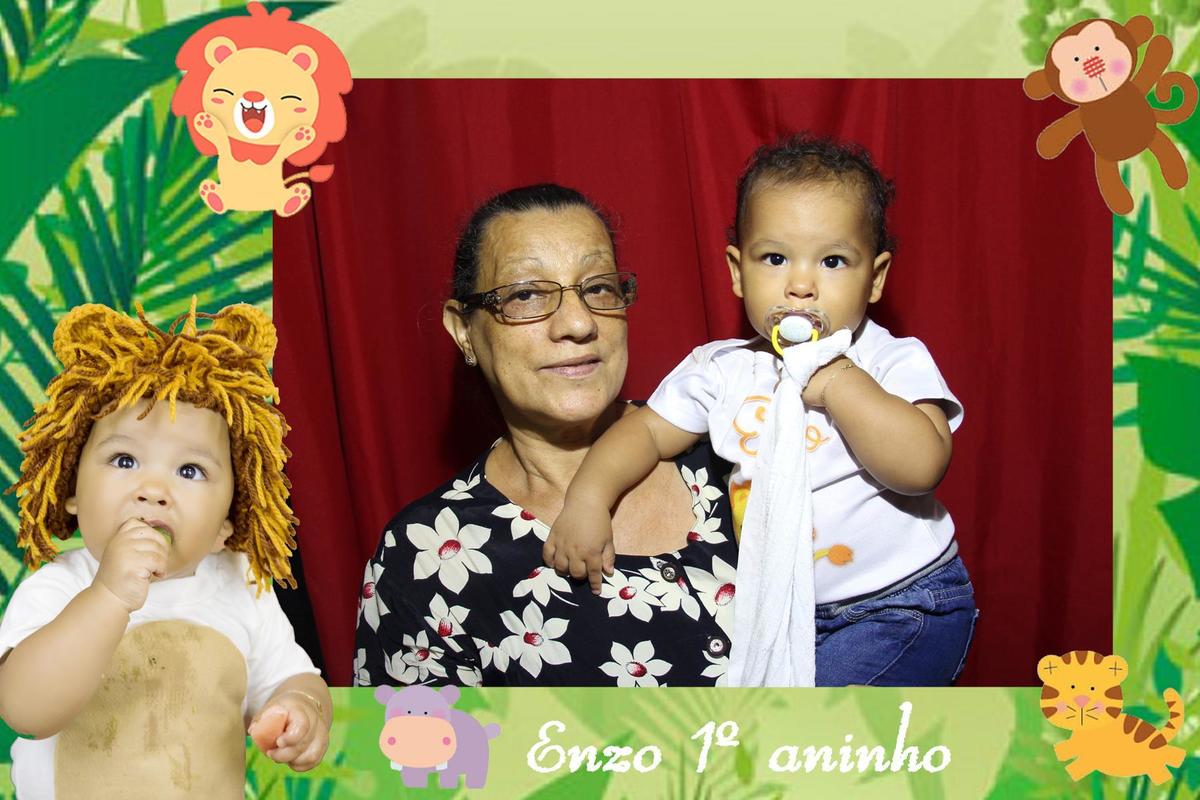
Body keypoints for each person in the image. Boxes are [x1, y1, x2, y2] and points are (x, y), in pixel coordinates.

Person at [547, 134, 977, 686]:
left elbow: (922, 466)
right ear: (737, 271)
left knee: (804, 731)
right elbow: (646, 433)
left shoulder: (888, 359)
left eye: (833, 261)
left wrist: (841, 382)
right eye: (775, 258)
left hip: (902, 603)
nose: (800, 285)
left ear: (875, 278)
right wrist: (588, 498)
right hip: (783, 617)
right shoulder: (724, 370)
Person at [355, 184, 740, 687]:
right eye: (525, 295)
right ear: (464, 330)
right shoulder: (425, 556)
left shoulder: (733, 444)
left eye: (598, 288)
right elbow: (415, 739)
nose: (578, 323)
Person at [0, 301, 331, 799]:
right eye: (124, 459)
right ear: (72, 490)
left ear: (227, 522)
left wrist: (301, 710)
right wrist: (108, 595)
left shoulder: (242, 588)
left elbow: (294, 677)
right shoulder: (59, 588)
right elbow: (25, 710)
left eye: (190, 471)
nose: (154, 490)